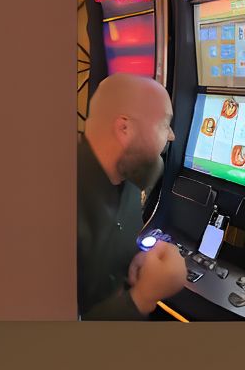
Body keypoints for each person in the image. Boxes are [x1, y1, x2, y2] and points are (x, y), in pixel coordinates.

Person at [77, 73, 186, 320]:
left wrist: (130, 261)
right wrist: (143, 297)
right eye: (164, 124)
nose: (171, 135)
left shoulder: (129, 176)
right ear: (124, 128)